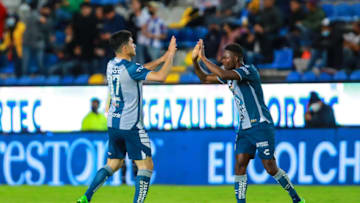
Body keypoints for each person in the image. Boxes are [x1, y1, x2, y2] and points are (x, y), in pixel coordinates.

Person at [192, 40, 304, 203]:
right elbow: (204, 78)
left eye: (226, 58)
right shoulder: (230, 76)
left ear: (237, 59)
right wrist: (195, 61)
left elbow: (223, 74)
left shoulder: (248, 70)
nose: (223, 61)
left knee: (270, 168)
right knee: (240, 165)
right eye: (222, 59)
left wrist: (202, 57)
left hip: (261, 125)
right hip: (244, 129)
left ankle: (296, 198)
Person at [76, 30, 177, 203]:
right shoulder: (131, 69)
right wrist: (171, 56)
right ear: (124, 47)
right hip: (131, 126)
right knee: (145, 166)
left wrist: (162, 58)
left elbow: (140, 70)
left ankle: (87, 196)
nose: (134, 45)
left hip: (114, 125)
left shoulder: (111, 65)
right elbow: (162, 76)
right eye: (131, 42)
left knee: (113, 164)